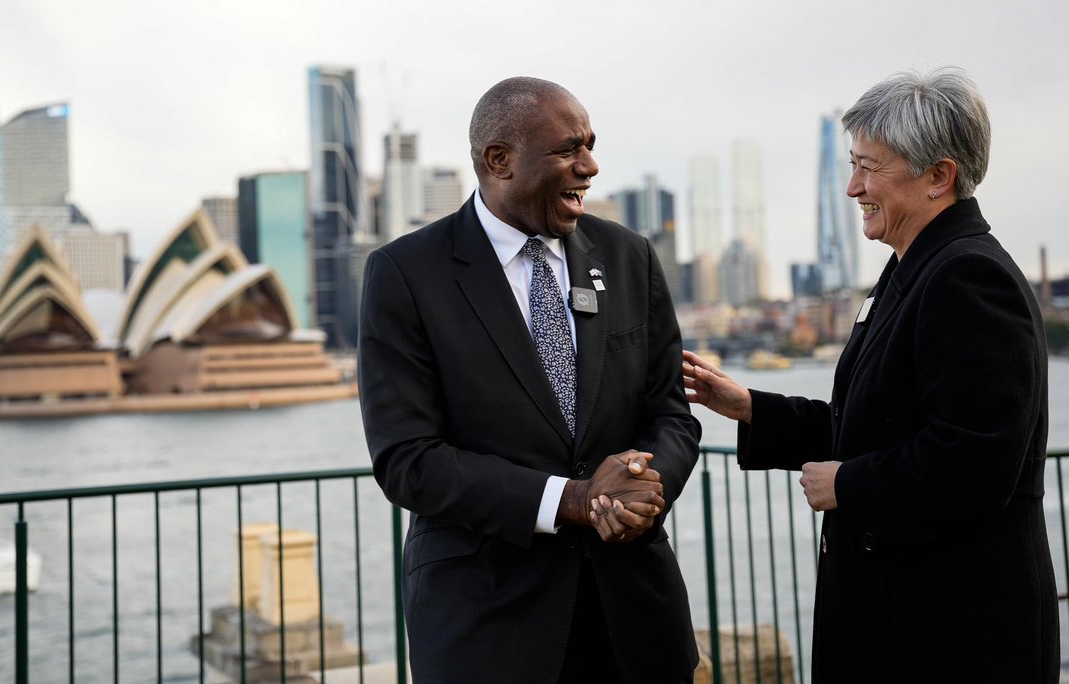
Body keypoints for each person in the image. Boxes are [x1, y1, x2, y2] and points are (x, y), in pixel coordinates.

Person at [682, 67, 1057, 683]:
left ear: (940, 175)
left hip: (950, 634)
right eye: (851, 165)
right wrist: (750, 406)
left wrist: (850, 485)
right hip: (902, 619)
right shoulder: (912, 267)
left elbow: (978, 462)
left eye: (869, 167)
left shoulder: (968, 279)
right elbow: (875, 425)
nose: (853, 187)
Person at [358, 77, 701, 683]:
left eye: (590, 145)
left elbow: (671, 414)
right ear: (499, 160)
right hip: (489, 627)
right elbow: (408, 460)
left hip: (634, 622)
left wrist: (643, 490)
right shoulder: (406, 275)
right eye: (570, 149)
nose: (590, 167)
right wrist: (572, 501)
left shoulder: (629, 257)